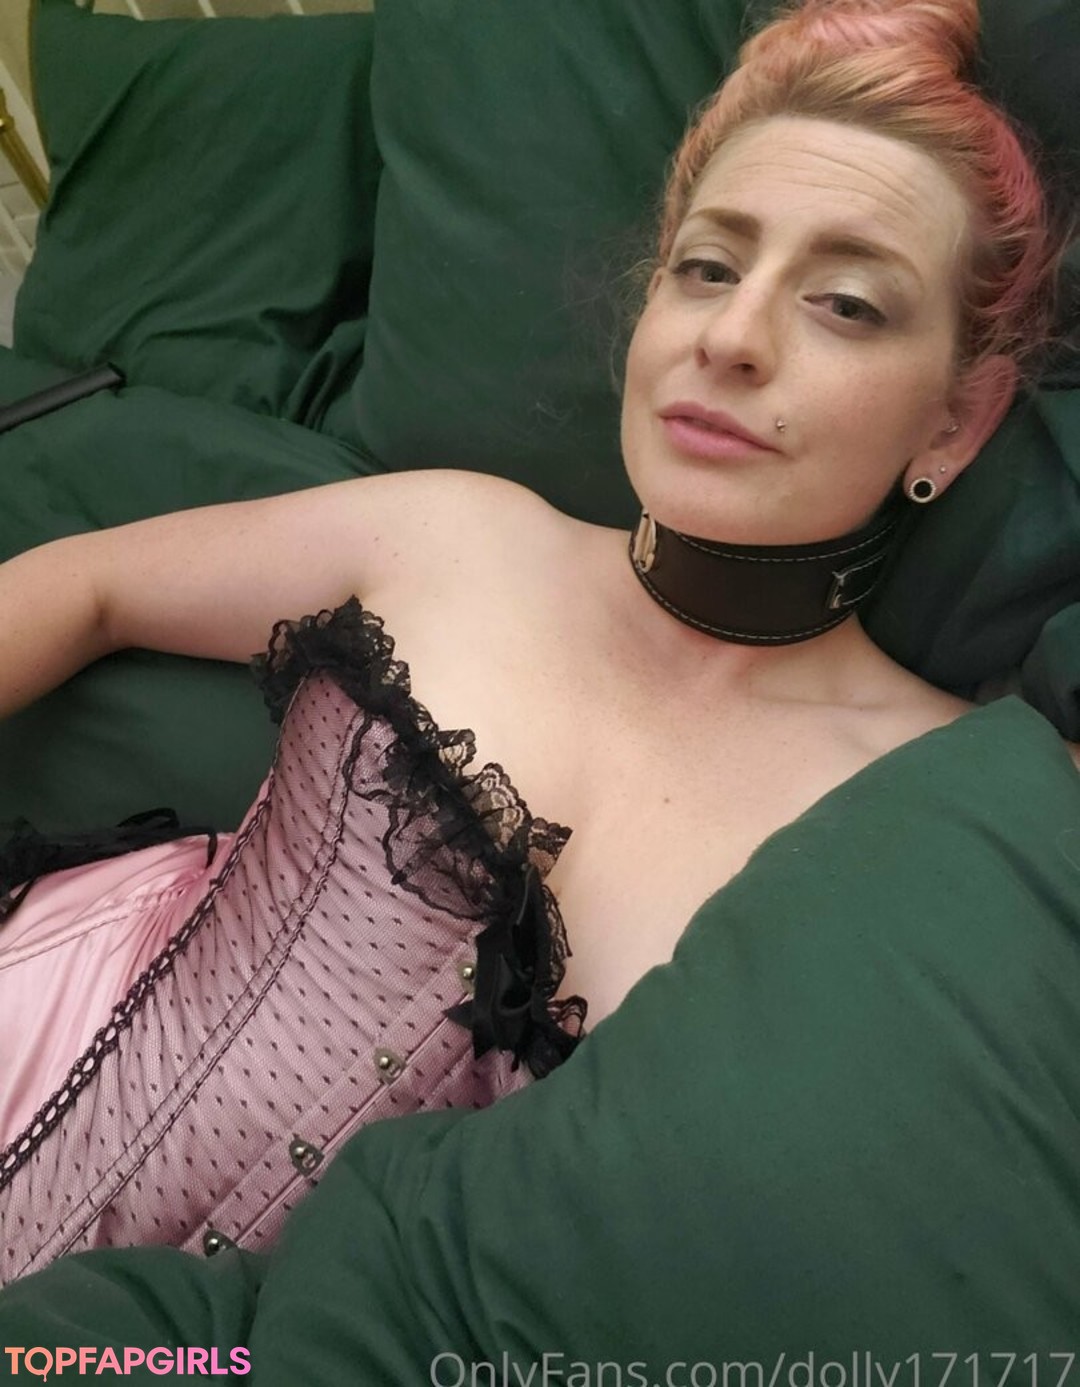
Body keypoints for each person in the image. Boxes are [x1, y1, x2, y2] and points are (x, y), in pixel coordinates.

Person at [0, 0, 1073, 1296]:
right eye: (707, 267)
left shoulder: (959, 808)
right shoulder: (455, 534)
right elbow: (87, 586)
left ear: (958, 420)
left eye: (846, 304)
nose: (732, 338)